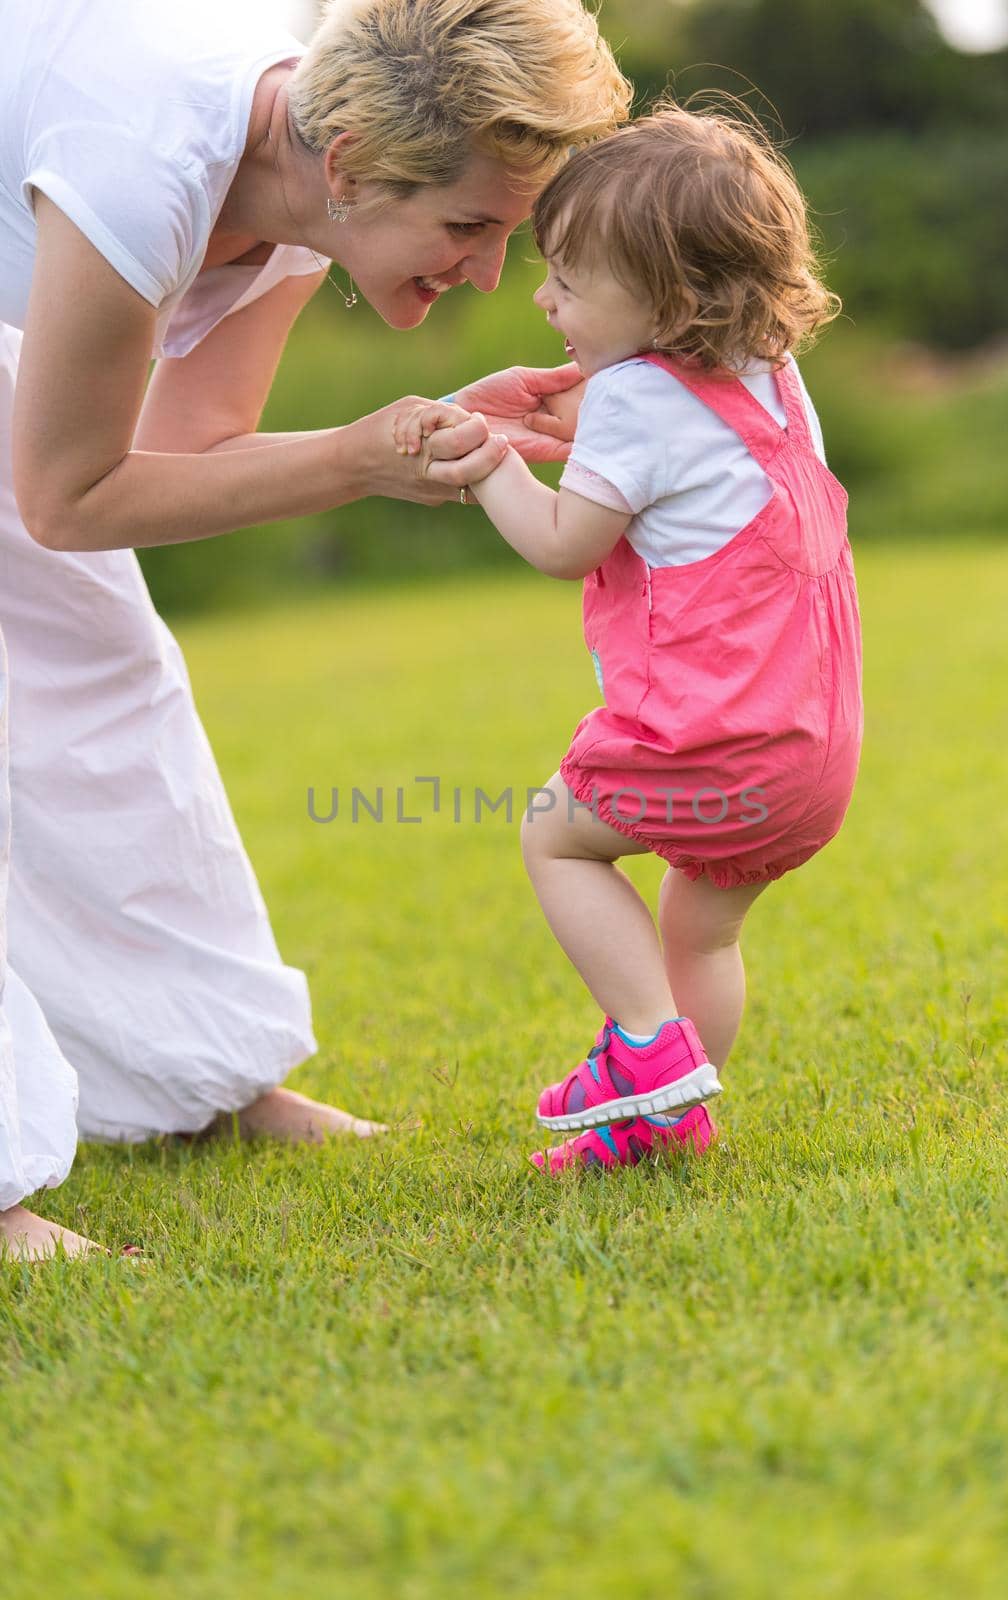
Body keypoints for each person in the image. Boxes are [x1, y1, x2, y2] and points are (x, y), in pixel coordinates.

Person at [0, 0, 630, 1259]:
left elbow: (179, 452)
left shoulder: (301, 187)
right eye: (468, 227)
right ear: (348, 165)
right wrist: (354, 463)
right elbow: (68, 496)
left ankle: (196, 1080)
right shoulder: (151, 158)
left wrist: (420, 429)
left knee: (106, 668)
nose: (487, 271)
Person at [397, 107, 863, 1174]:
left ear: (667, 301)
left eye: (568, 277)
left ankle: (648, 1056)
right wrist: (587, 432)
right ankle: (668, 1120)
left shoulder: (635, 399)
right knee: (699, 929)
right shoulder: (772, 376)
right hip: (810, 748)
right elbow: (690, 479)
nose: (541, 296)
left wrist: (491, 465)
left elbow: (567, 542)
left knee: (555, 836)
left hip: (708, 739)